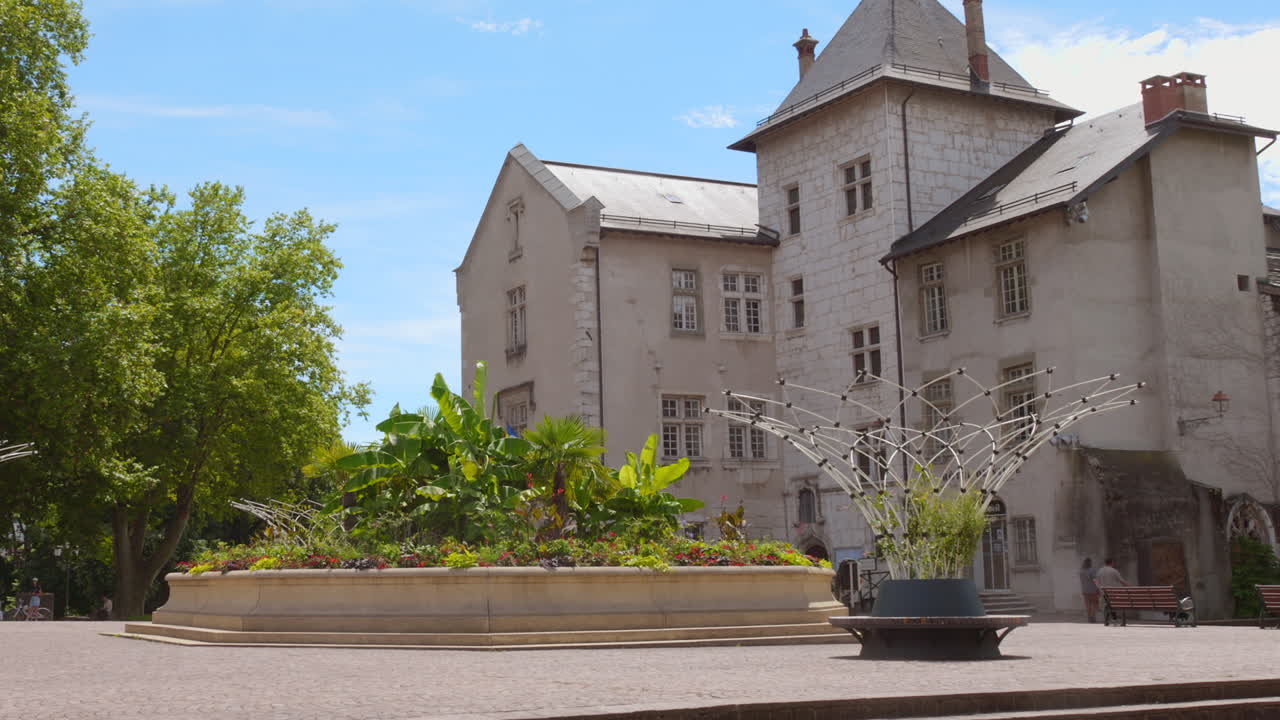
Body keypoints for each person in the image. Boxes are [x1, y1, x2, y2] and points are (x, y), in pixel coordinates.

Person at [1094, 557, 1128, 624]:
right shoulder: (1114, 570)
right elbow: (1122, 581)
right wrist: (1129, 587)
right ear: (1112, 563)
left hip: (1104, 593)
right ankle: (1114, 618)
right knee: (1113, 604)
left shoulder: (1100, 571)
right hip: (1113, 593)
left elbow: (1096, 581)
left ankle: (1111, 618)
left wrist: (1099, 588)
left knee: (1108, 604)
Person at [1079, 558, 1100, 623]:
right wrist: (1098, 588)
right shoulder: (1092, 570)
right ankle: (1093, 617)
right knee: (1095, 603)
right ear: (1090, 563)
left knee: (1088, 605)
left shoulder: (1081, 571)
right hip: (1093, 590)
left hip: (1085, 590)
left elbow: (1082, 581)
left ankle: (1089, 617)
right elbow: (1095, 580)